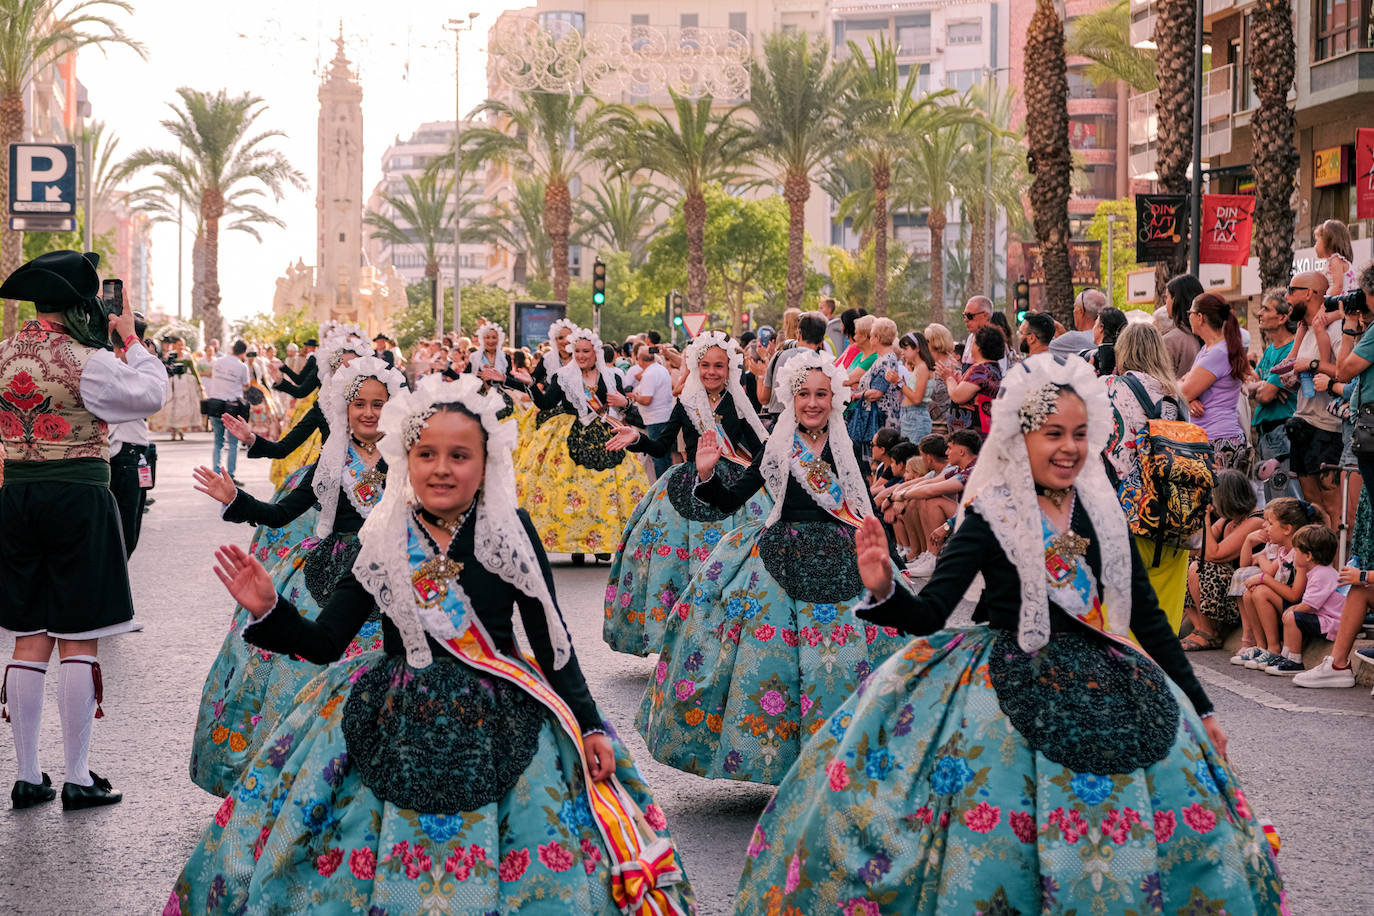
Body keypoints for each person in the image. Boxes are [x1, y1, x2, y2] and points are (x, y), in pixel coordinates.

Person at [733, 353, 1284, 915]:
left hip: (1111, 683)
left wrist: (1202, 707)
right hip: (1001, 684)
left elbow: (1145, 617)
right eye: (1053, 434)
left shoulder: (1100, 512)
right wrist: (884, 588)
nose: (1068, 447)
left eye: (1078, 433)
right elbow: (931, 612)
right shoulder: (989, 512)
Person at [169, 374, 693, 915]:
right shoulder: (383, 533)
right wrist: (270, 609)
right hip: (389, 712)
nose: (441, 467)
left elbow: (551, 639)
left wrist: (587, 726)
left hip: (502, 708)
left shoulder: (509, 528)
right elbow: (326, 642)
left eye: (459, 455)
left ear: (487, 463)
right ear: (407, 459)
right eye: (426, 453)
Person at [636, 350, 907, 785]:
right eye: (804, 395)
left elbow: (865, 510)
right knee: (769, 663)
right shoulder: (777, 449)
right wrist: (706, 476)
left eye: (822, 394)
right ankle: (780, 761)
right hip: (778, 554)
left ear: (835, 398)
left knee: (842, 661)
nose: (813, 403)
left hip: (841, 557)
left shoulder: (847, 449)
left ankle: (840, 756)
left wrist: (892, 563)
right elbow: (729, 502)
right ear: (791, 398)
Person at [187, 356, 405, 796]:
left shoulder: (409, 458)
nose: (368, 412)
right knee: (308, 669)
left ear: (393, 407)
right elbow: (282, 513)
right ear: (343, 408)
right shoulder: (330, 462)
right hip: (332, 574)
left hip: (396, 572)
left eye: (378, 404)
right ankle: (304, 782)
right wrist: (237, 499)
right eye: (358, 403)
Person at [0, 250, 169, 810]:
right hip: (78, 495)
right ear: (82, 304)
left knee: (29, 632)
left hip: (18, 496)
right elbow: (150, 396)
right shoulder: (86, 360)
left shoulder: (2, 356)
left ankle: (27, 775)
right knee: (78, 632)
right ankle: (76, 775)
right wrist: (132, 341)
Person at [602, 332, 771, 656]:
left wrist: (751, 476)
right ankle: (678, 635)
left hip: (731, 490)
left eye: (718, 366)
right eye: (705, 365)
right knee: (668, 555)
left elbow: (762, 449)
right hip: (687, 486)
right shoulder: (686, 404)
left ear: (729, 369)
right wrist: (636, 438)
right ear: (695, 366)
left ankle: (729, 634)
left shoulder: (738, 403)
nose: (711, 372)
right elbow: (662, 445)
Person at [515, 328, 650, 562]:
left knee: (606, 490)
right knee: (571, 490)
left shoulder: (612, 377)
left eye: (585, 351)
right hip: (570, 436)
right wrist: (531, 385)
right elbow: (547, 404)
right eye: (576, 351)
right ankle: (577, 545)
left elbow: (624, 407)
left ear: (595, 352)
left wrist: (625, 401)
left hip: (606, 433)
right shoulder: (562, 376)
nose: (580, 355)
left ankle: (603, 543)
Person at [1103, 323, 1192, 630]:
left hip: (1125, 513)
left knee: (1118, 614)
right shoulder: (1177, 396)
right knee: (1162, 617)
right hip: (1174, 517)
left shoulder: (1110, 388)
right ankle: (1159, 674)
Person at [1283, 270, 1344, 524]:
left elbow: (1346, 373)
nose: (1286, 297)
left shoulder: (1336, 329)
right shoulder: (1305, 329)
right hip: (1303, 424)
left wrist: (1312, 364)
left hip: (1328, 429)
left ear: (1308, 294)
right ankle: (1318, 561)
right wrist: (1293, 378)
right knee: (1312, 509)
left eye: (1291, 290)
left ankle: (1335, 562)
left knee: (1332, 508)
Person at [1181, 470, 1266, 650]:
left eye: (1215, 496)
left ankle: (1209, 633)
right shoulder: (1229, 520)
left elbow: (1213, 555)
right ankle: (1199, 628)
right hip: (1222, 594)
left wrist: (1205, 520)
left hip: (1240, 596)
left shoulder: (1256, 520)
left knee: (1199, 567)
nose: (1213, 501)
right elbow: (1197, 550)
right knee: (1184, 564)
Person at [1235, 497, 1322, 670]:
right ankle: (1262, 646)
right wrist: (1250, 542)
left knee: (1260, 592)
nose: (1264, 527)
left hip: (1300, 609)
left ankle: (1274, 647)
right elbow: (1264, 570)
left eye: (1269, 522)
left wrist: (1264, 579)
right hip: (1286, 605)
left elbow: (1295, 595)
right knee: (1250, 592)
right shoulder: (1283, 551)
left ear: (1287, 529)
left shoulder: (1300, 555)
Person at [1180, 292, 1250, 471]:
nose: (1189, 317)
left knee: (1216, 498)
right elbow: (1185, 385)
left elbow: (1184, 389)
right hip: (1213, 437)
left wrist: (1188, 395)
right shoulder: (1208, 349)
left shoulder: (1218, 353)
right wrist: (1189, 398)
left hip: (1218, 439)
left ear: (1200, 317)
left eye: (1190, 313)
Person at [1263, 523, 1343, 675]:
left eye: (1296, 551)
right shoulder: (1316, 572)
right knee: (1290, 615)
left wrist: (1293, 610)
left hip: (1333, 623)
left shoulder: (1322, 574)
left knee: (1292, 616)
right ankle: (1285, 655)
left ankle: (1294, 660)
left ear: (1308, 556)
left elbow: (1309, 606)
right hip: (1325, 618)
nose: (1293, 555)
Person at [1251, 288, 1298, 496]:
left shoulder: (1291, 349)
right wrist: (1262, 386)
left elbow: (1265, 395)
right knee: (1272, 499)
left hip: (1281, 433)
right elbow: (1248, 383)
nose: (1260, 313)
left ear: (1282, 317)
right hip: (1267, 433)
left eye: (1266, 308)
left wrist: (1262, 387)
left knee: (1283, 499)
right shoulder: (1271, 349)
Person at [847, 317, 902, 459]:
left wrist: (857, 395)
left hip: (881, 420)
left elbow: (877, 392)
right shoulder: (883, 358)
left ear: (877, 338)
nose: (870, 339)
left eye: (871, 336)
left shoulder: (886, 360)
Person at [760, 312, 827, 420]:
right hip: (811, 421)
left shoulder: (778, 356)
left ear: (799, 334)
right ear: (822, 340)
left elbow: (764, 398)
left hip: (779, 421)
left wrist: (760, 376)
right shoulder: (824, 362)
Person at [626, 342, 678, 479]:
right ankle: (668, 482)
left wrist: (636, 397)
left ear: (640, 360)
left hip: (655, 419)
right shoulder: (661, 369)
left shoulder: (650, 374)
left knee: (658, 457)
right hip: (664, 416)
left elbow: (647, 399)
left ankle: (663, 485)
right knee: (665, 455)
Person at [942, 325, 1004, 435]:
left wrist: (948, 378)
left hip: (974, 429)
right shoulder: (993, 367)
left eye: (973, 343)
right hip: (987, 426)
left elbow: (958, 396)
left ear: (979, 347)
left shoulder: (980, 369)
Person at [206, 341, 251, 484]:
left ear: (232, 348)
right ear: (244, 352)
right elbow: (246, 385)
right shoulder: (242, 366)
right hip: (232, 407)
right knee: (233, 443)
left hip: (215, 404)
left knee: (218, 442)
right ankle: (230, 476)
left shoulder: (218, 362)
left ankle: (216, 473)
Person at [890, 331, 934, 442]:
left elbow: (917, 399)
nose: (903, 353)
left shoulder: (922, 367)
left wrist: (899, 382)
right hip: (910, 416)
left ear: (917, 348)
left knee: (913, 456)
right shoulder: (918, 367)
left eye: (906, 349)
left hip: (916, 417)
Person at [1162, 274, 1205, 377]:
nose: (1165, 303)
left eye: (1167, 297)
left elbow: (1162, 383)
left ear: (1175, 300)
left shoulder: (1169, 340)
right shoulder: (1209, 338)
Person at [1047, 287, 1103, 361]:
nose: (1073, 312)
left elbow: (1038, 350)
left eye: (1074, 308)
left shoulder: (1073, 338)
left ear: (1080, 311)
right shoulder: (1110, 337)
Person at [923, 323, 957, 435]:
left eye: (926, 341)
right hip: (930, 426)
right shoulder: (931, 366)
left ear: (936, 342)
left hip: (946, 428)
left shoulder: (951, 367)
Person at [1315, 217, 1356, 294]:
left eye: (1317, 241)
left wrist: (1325, 303)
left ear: (1328, 241)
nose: (1315, 246)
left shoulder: (1335, 261)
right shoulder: (1333, 261)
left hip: (1341, 303)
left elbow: (1338, 287)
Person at [1091, 306, 1127, 376]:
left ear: (1101, 327)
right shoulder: (1125, 353)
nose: (1093, 328)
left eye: (1095, 324)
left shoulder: (1104, 355)